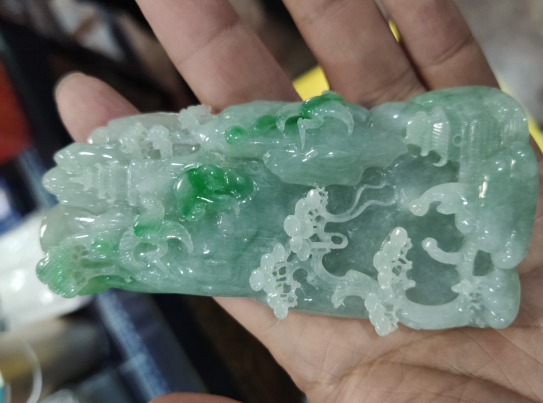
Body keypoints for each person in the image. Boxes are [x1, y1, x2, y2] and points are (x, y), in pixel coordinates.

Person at [55, 1, 543, 402]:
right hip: (412, 247)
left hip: (398, 175)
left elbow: (292, 145)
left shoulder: (233, 154)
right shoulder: (189, 242)